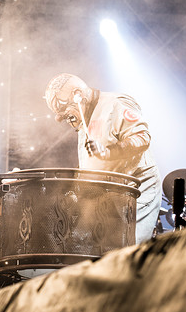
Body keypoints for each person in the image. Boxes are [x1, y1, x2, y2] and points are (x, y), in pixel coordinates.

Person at [44, 73, 162, 244]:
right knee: (100, 248)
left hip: (137, 187)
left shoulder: (115, 104)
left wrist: (109, 152)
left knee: (127, 246)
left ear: (78, 95)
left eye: (63, 109)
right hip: (111, 192)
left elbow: (142, 137)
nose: (60, 117)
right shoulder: (83, 119)